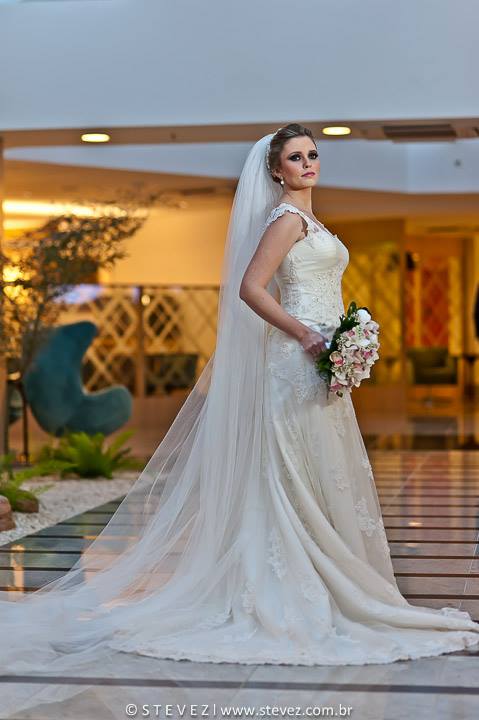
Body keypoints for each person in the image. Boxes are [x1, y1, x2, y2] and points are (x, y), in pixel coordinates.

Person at [1, 124, 479, 719]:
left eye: (313, 154)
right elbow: (251, 287)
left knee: (319, 469)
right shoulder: (286, 219)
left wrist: (345, 339)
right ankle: (293, 587)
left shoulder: (312, 221)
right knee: (290, 470)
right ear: (276, 170)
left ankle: (330, 579)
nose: (309, 163)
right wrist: (305, 333)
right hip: (296, 360)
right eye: (296, 157)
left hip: (319, 362)